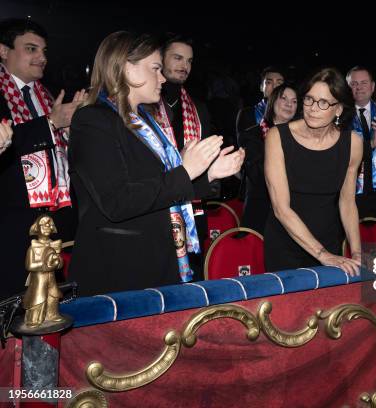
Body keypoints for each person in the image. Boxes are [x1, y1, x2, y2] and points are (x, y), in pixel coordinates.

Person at [68, 32, 244, 296]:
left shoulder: (147, 123)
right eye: (156, 68)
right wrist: (187, 171)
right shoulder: (93, 121)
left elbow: (164, 192)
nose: (162, 78)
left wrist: (207, 176)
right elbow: (117, 202)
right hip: (119, 271)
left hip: (158, 261)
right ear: (126, 68)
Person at [0, 18, 86, 300]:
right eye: (31, 49)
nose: (42, 58)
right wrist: (50, 123)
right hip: (11, 222)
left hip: (53, 219)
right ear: (4, 51)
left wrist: (72, 130)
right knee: (12, 307)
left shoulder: (47, 94)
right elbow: (9, 142)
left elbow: (59, 151)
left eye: (44, 51)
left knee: (51, 307)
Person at [264, 68, 362, 276]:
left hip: (329, 243)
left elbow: (347, 202)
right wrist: (322, 254)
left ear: (338, 110)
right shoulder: (277, 137)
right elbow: (281, 208)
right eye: (309, 99)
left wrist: (357, 252)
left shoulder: (353, 143)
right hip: (285, 245)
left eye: (323, 102)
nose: (312, 108)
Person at [157, 34, 216, 278]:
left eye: (189, 61)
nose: (184, 66)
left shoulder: (197, 107)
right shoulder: (145, 104)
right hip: (158, 207)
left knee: (195, 273)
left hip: (193, 203)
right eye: (178, 58)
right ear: (159, 60)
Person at [239, 83, 298, 233]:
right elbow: (257, 176)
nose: (289, 104)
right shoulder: (252, 135)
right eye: (283, 98)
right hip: (261, 212)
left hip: (295, 214)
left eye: (294, 101)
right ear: (272, 102)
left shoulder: (302, 137)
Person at [346, 66, 376, 220]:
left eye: (363, 83)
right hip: (351, 191)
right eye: (354, 84)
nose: (359, 87)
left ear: (373, 86)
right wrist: (370, 144)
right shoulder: (340, 117)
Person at [235, 66, 284, 134]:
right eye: (269, 82)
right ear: (261, 87)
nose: (274, 87)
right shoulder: (247, 114)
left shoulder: (292, 114)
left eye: (279, 83)